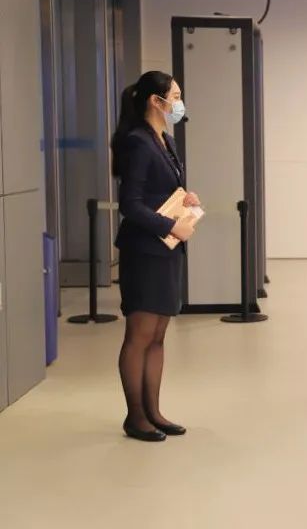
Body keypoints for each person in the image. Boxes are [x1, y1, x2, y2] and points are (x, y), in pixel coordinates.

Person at [111, 70, 200, 442]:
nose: (179, 103)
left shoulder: (165, 140)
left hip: (165, 251)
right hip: (144, 251)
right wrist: (170, 226)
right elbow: (130, 205)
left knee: (159, 335)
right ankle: (135, 417)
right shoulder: (137, 142)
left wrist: (185, 198)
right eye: (175, 96)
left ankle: (153, 411)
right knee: (140, 335)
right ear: (156, 100)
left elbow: (160, 189)